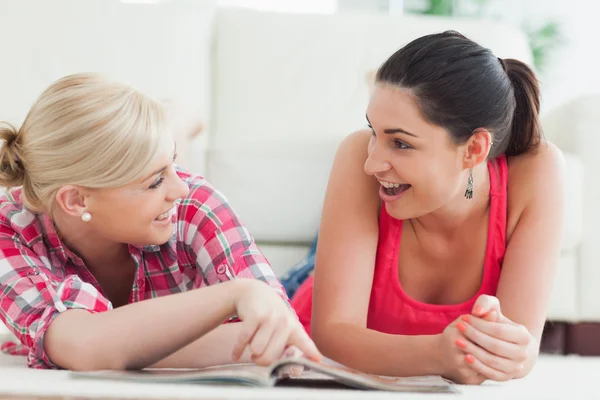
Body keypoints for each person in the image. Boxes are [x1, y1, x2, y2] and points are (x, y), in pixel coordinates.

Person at [291, 31, 565, 385]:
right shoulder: (358, 154)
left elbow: (518, 346)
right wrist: (438, 354)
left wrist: (514, 353)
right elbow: (330, 334)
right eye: (374, 130)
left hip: (390, 208)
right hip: (312, 287)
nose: (370, 163)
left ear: (475, 149)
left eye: (400, 142)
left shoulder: (536, 171)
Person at [0, 73, 321, 370]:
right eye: (154, 181)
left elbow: (278, 337)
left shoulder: (196, 202)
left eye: (173, 163)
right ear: (76, 200)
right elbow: (82, 346)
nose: (179, 188)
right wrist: (235, 293)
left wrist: (121, 349)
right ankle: (174, 125)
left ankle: (175, 127)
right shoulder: (10, 229)